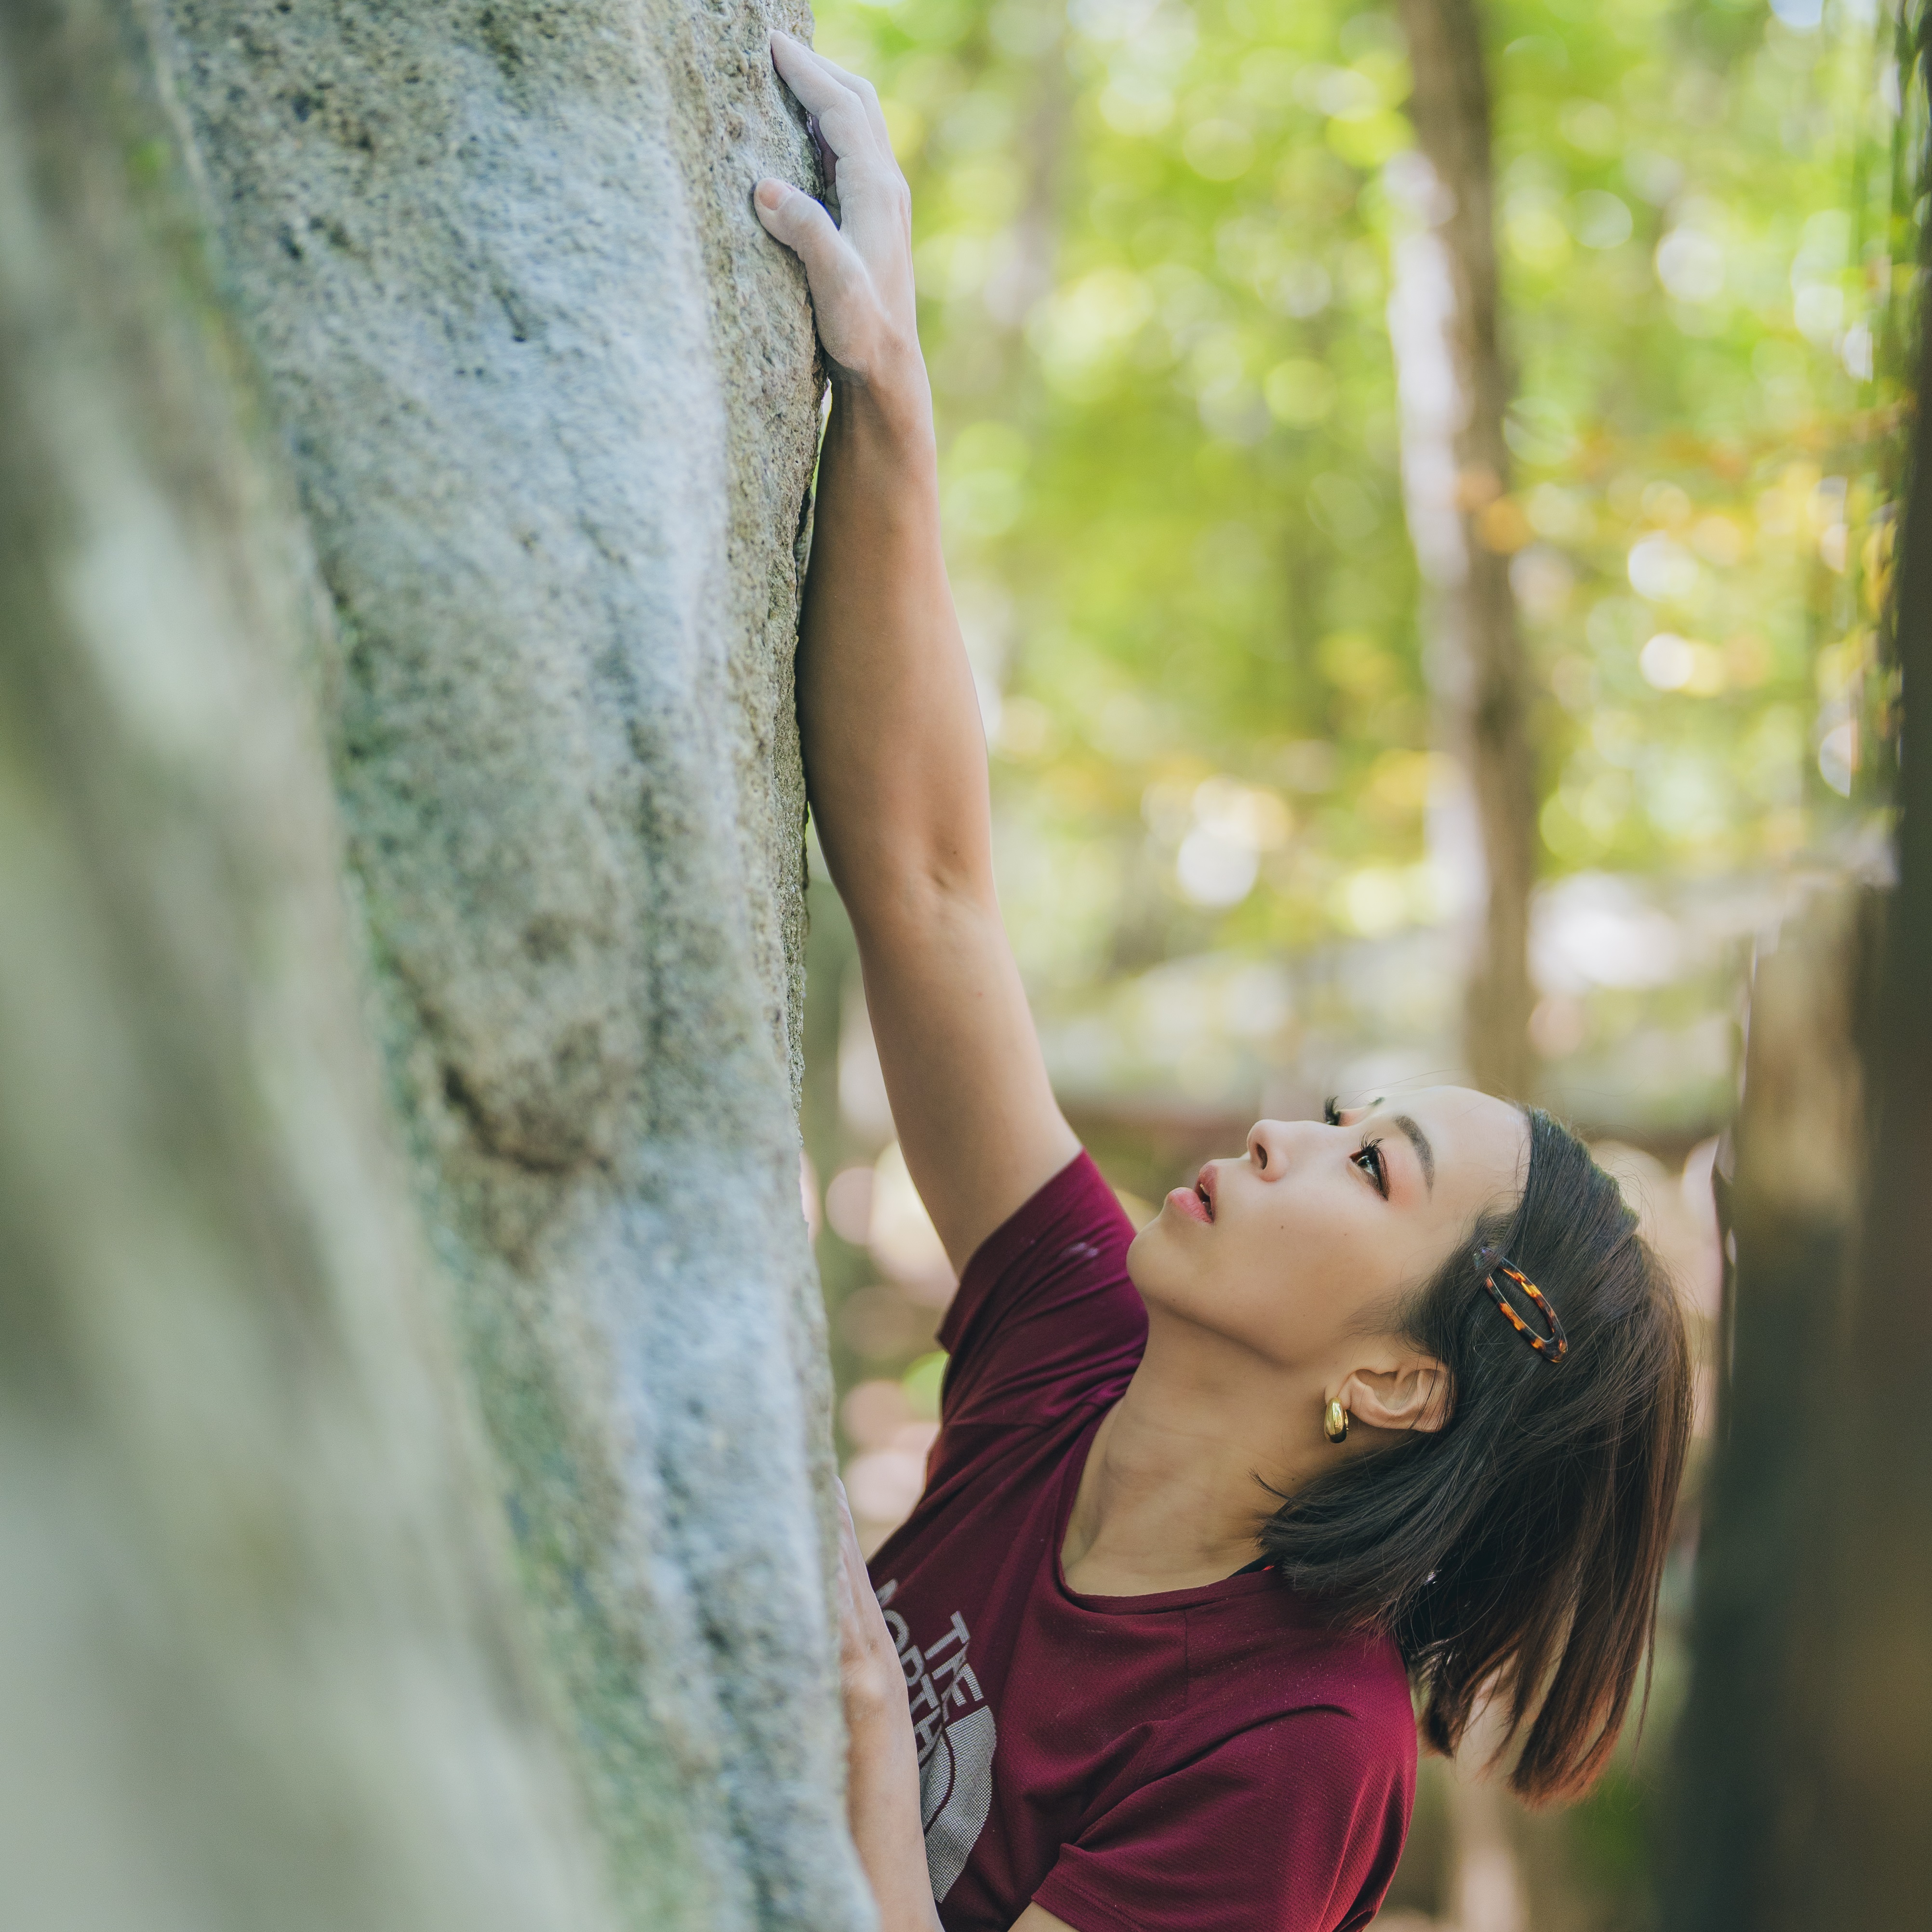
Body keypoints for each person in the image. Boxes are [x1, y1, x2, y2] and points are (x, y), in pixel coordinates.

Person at [752, 32, 1694, 1932]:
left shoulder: (1291, 1744)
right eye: (1342, 1119)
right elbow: (932, 887)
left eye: (1369, 1171)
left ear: (1395, 1376)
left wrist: (858, 1748)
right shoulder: (1080, 1337)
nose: (1283, 1138)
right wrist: (891, 392)